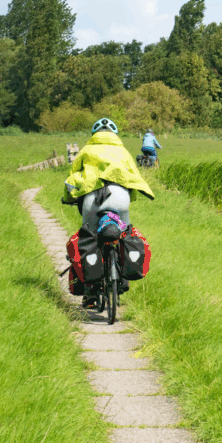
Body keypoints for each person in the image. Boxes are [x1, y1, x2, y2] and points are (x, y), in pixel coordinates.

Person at [63, 118, 154, 308]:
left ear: (94, 134)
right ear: (115, 134)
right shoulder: (123, 151)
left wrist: (69, 198)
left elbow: (72, 178)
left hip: (92, 199)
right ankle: (123, 279)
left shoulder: (86, 151)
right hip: (121, 197)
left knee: (90, 239)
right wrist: (131, 198)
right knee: (125, 233)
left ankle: (90, 293)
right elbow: (133, 178)